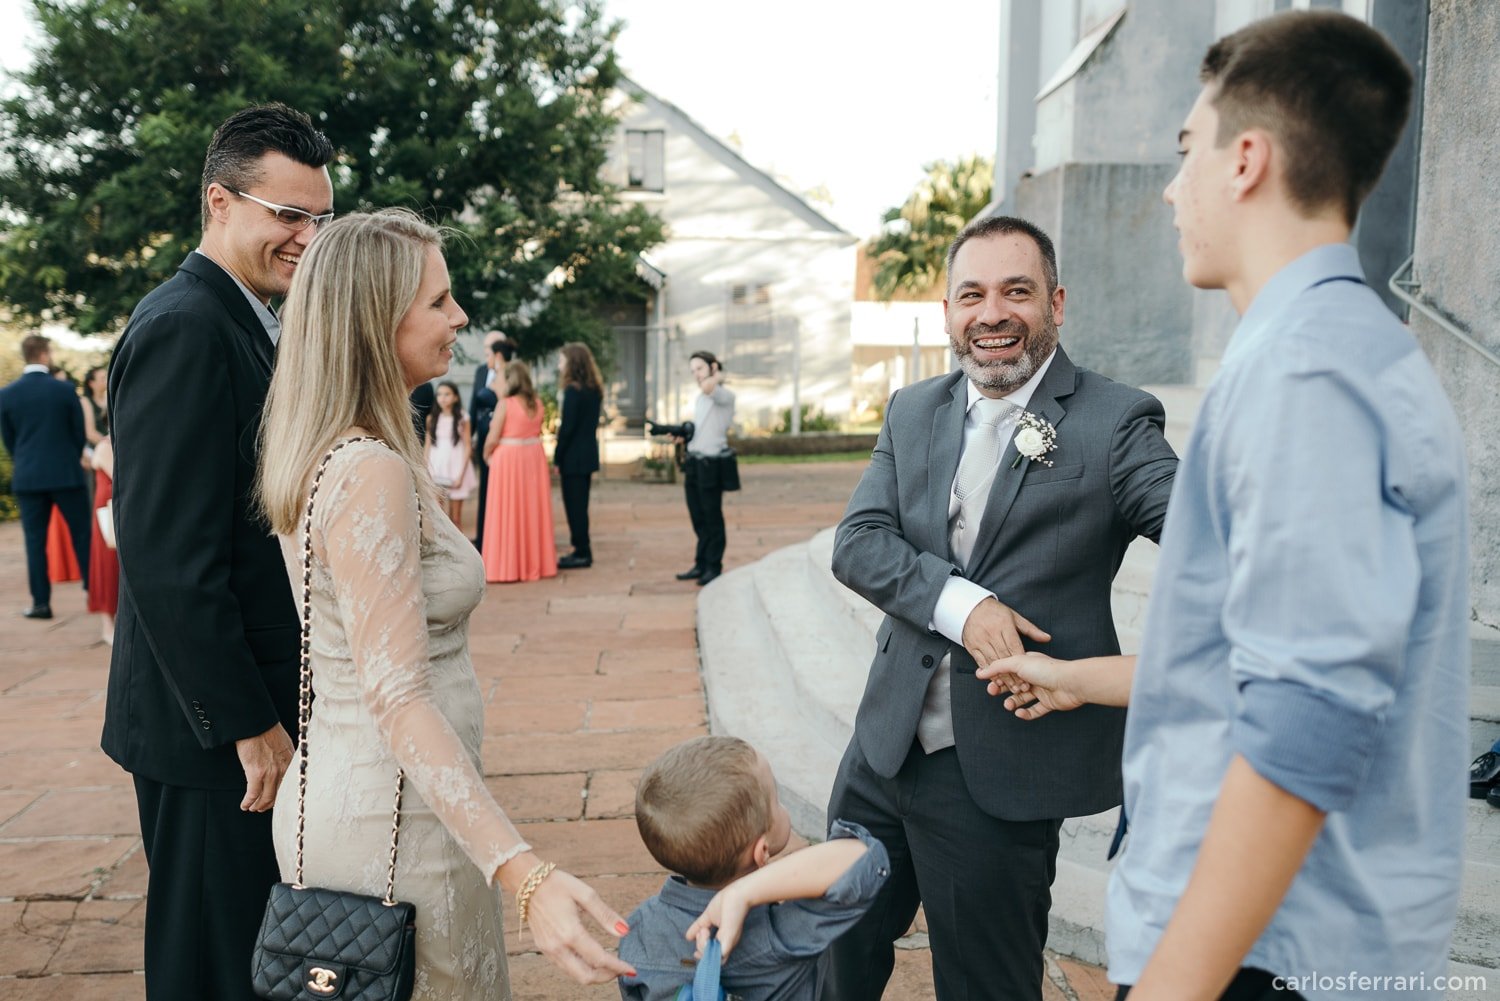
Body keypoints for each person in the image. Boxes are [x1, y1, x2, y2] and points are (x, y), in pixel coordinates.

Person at [982, 13, 1468, 1001]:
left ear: (1246, 160)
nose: (1171, 187)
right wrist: (1081, 674)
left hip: (1269, 956)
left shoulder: (1308, 372)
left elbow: (1306, 717)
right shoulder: (1329, 349)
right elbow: (1261, 655)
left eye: (1185, 150)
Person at [258, 207, 632, 994]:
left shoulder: (338, 450)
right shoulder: (369, 470)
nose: (460, 316)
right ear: (373, 320)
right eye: (438, 301)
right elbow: (397, 696)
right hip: (396, 825)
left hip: (368, 802)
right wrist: (524, 874)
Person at [823, 215, 1178, 1001]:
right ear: (948, 312)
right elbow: (858, 541)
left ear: (1055, 302)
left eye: (1015, 291)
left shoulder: (1117, 421)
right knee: (833, 961)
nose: (991, 314)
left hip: (1002, 767)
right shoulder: (913, 409)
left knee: (988, 986)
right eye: (971, 295)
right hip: (881, 749)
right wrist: (963, 603)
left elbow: (1204, 535)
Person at [100, 103, 334, 1001]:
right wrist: (247, 722)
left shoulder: (246, 316)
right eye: (288, 215)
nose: (307, 237)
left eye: (318, 218)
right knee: (210, 963)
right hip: (212, 737)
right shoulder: (186, 327)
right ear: (219, 202)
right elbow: (166, 557)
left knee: (252, 955)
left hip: (244, 715)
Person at [620, 735, 889, 1000]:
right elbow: (866, 858)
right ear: (761, 851)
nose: (781, 805)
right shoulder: (781, 932)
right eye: (776, 799)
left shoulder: (637, 931)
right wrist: (745, 892)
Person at [0, 334, 92, 619]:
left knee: (34, 542)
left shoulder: (6, 394)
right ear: (44, 355)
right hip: (65, 473)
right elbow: (78, 434)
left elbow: (9, 439)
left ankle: (41, 604)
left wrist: (26, 461)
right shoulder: (64, 390)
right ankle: (95, 594)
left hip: (28, 477)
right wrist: (68, 455)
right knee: (82, 536)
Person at [482, 359, 558, 583]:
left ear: (510, 379)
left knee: (507, 509)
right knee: (531, 509)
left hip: (509, 459)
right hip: (533, 457)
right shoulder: (537, 402)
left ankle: (507, 566)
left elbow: (493, 436)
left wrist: (487, 454)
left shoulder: (505, 403)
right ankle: (536, 563)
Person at [674, 350, 736, 587]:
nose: (696, 375)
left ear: (712, 367)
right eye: (693, 371)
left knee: (712, 517)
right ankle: (700, 563)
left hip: (712, 464)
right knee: (697, 517)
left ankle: (713, 566)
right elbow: (702, 430)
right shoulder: (701, 398)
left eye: (699, 369)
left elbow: (710, 388)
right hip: (694, 462)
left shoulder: (724, 395)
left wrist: (717, 375)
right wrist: (684, 437)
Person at [554, 342, 604, 570]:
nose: (559, 365)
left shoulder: (573, 391)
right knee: (580, 505)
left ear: (572, 363)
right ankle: (582, 548)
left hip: (573, 457)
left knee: (574, 506)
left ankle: (582, 551)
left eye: (562, 360)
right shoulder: (594, 390)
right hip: (587, 454)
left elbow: (567, 429)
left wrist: (557, 456)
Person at [470, 331, 514, 549]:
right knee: (484, 486)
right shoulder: (480, 372)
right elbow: (473, 404)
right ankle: (483, 536)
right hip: (483, 432)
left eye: (489, 351)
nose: (485, 355)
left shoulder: (509, 375)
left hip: (501, 437)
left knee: (499, 488)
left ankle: (499, 536)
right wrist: (470, 437)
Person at [425, 379, 479, 525]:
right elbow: (427, 446)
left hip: (456, 468)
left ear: (455, 397)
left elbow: (467, 446)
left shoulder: (463, 418)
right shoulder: (431, 419)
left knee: (455, 519)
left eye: (447, 394)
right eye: (440, 394)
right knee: (439, 519)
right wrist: (426, 471)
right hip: (437, 468)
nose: (442, 398)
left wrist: (461, 475)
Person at [87, 435, 120, 645]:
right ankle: (107, 625)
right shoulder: (105, 447)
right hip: (108, 513)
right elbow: (119, 476)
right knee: (108, 566)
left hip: (116, 509)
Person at [81, 364, 109, 446]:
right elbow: (90, 433)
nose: (107, 380)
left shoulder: (109, 398)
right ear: (91, 383)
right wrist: (109, 445)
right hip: (95, 449)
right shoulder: (85, 401)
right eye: (102, 378)